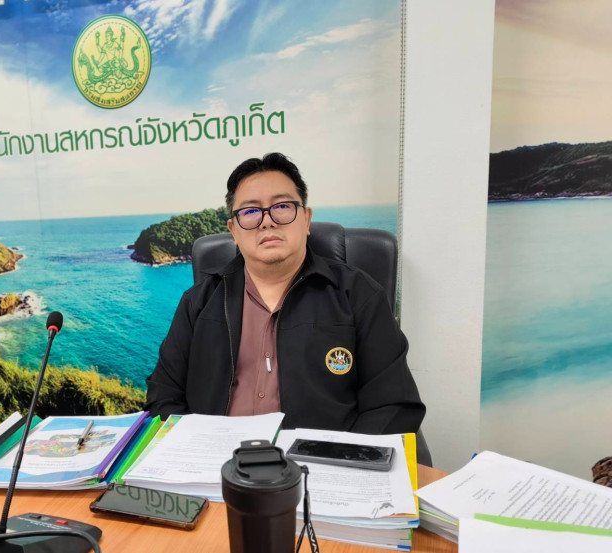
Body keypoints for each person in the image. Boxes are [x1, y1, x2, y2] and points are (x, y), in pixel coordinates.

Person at [145, 153, 425, 434]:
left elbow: (394, 406)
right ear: (233, 231)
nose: (267, 221)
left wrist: (344, 456)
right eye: (250, 212)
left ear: (306, 219)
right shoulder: (198, 302)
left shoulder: (358, 295)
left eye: (282, 206)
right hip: (216, 457)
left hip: (321, 458)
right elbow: (164, 396)